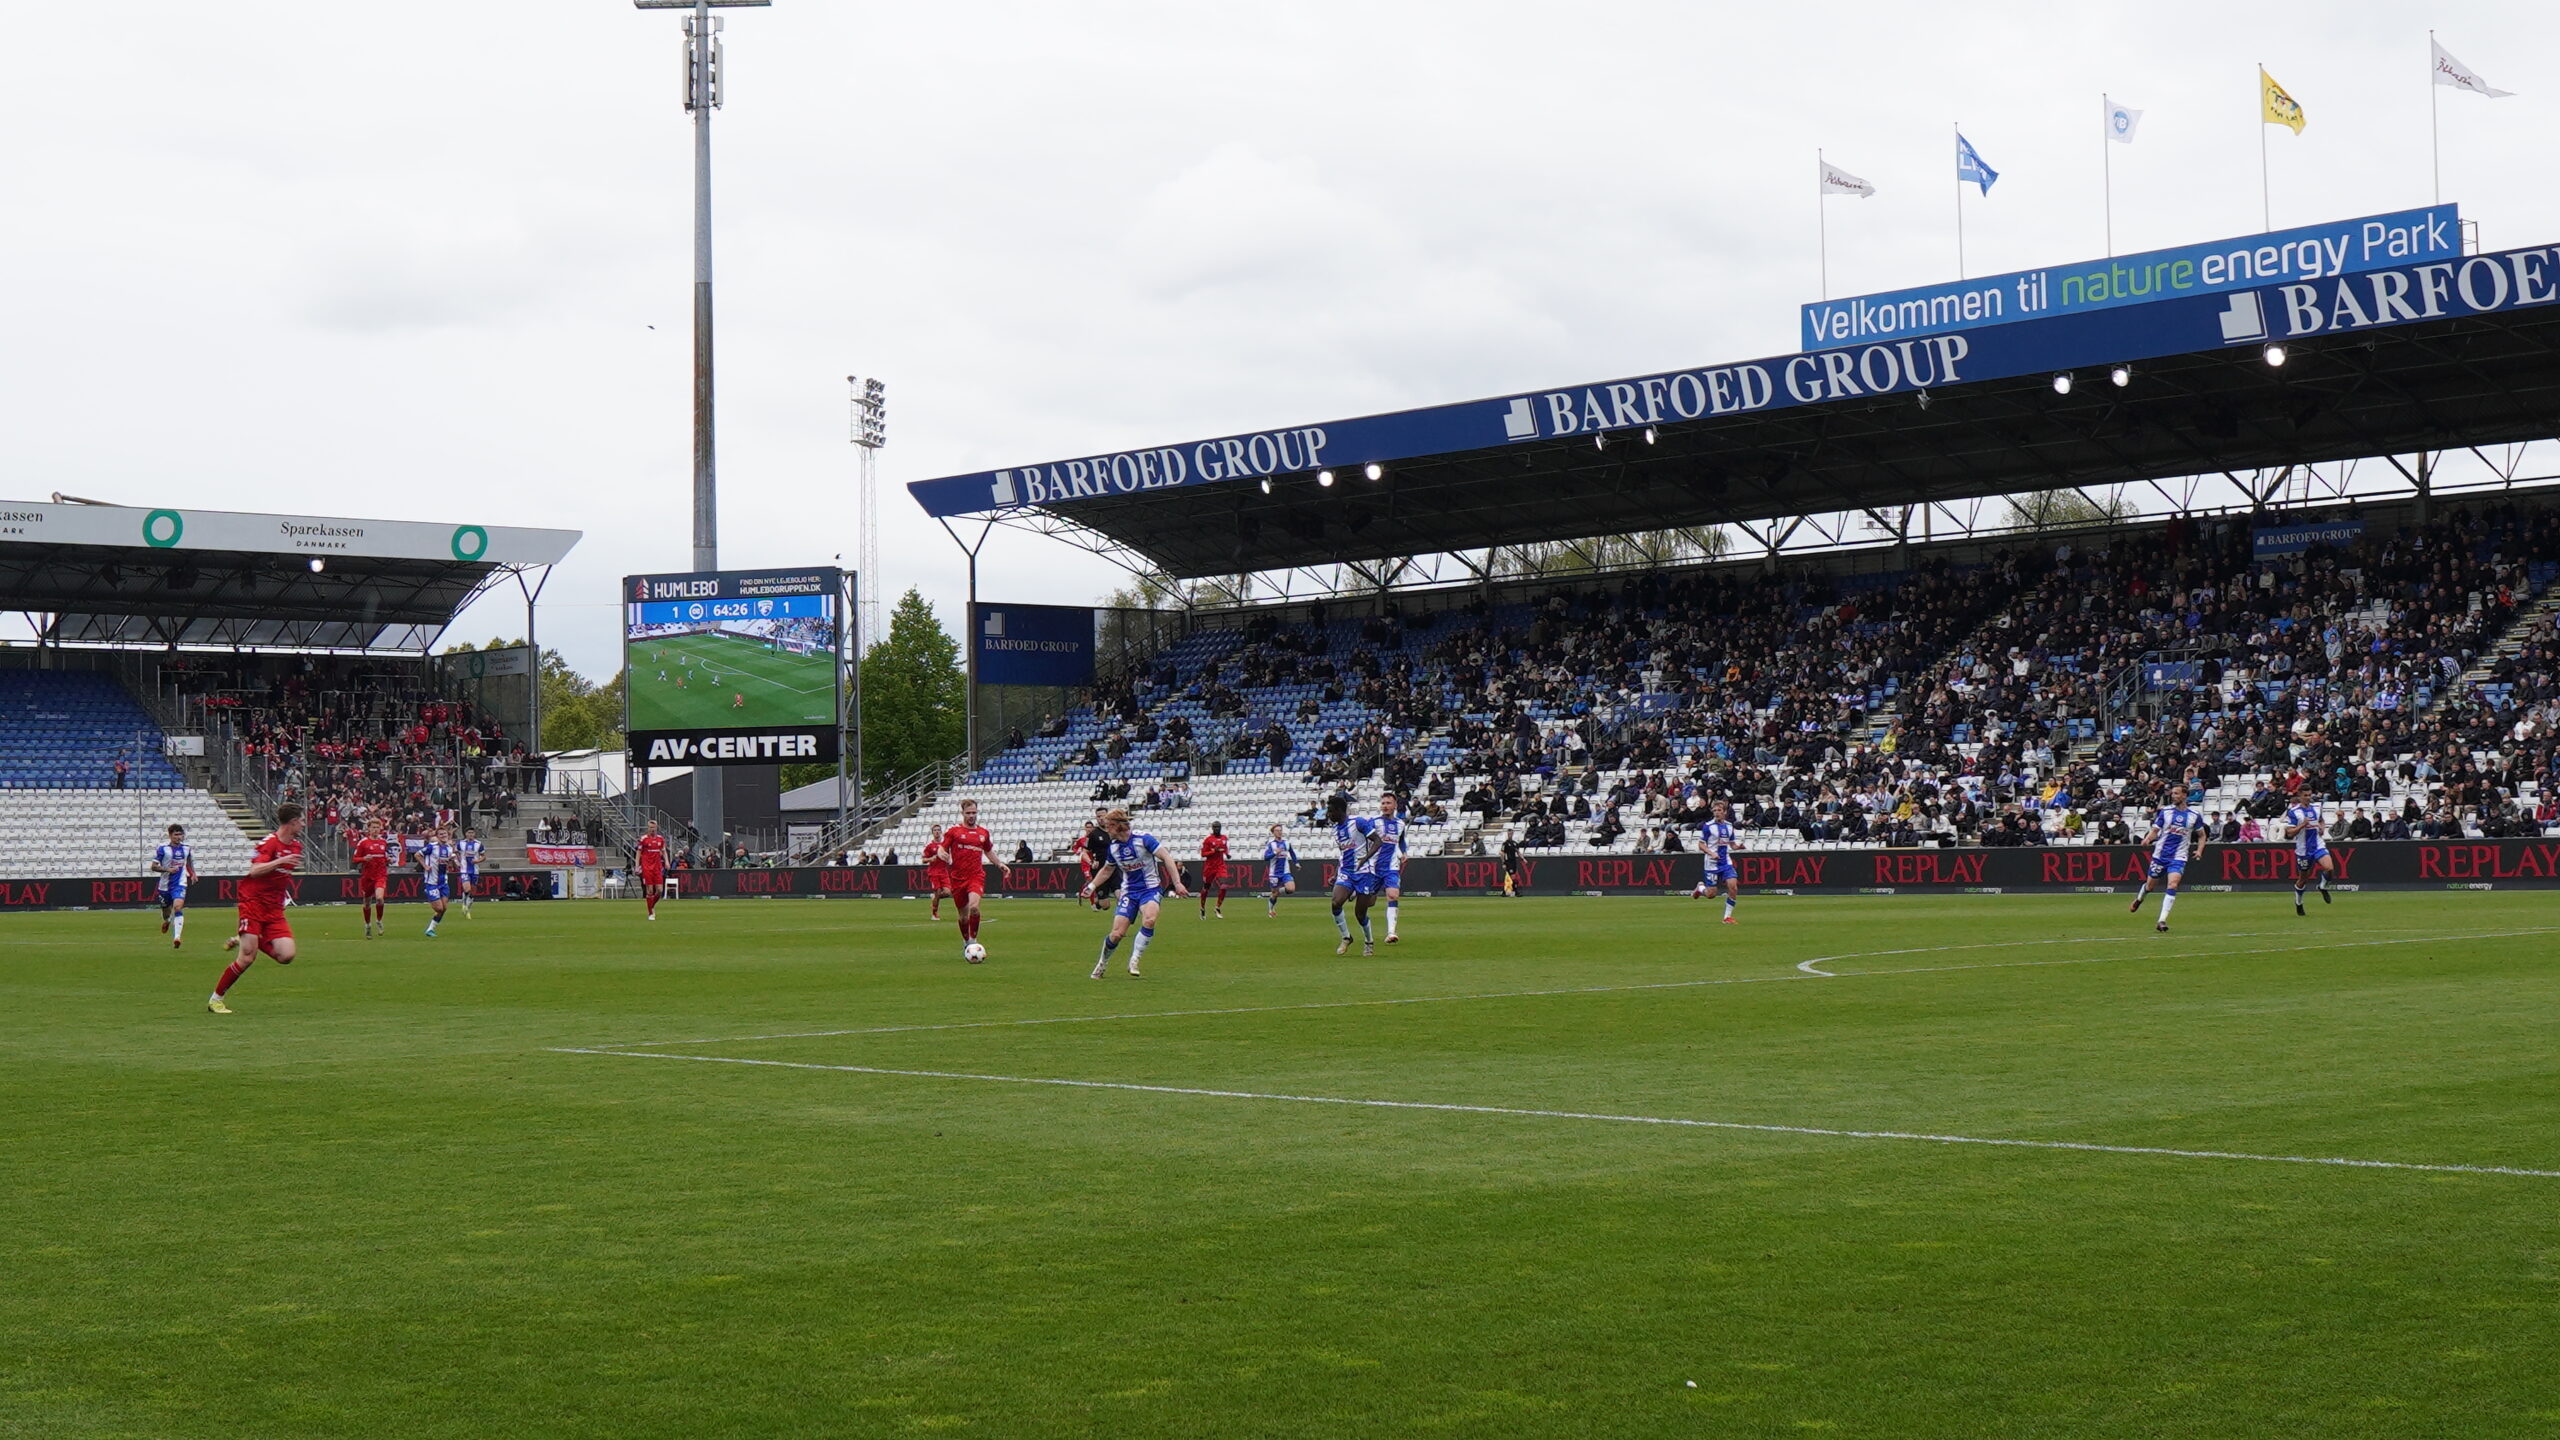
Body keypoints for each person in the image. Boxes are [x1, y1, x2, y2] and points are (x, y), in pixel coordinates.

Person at [208, 803, 305, 1014]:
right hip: (252, 903)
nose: (304, 825)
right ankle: (216, 999)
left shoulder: (297, 847)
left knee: (287, 955)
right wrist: (280, 861)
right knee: (247, 958)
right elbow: (254, 870)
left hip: (274, 909)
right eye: (301, 821)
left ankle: (248, 936)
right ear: (292, 822)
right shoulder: (269, 843)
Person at [1080, 809, 1187, 979]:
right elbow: (1107, 870)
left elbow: (1166, 857)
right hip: (1129, 893)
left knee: (1150, 919)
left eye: (1108, 827)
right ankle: (1102, 963)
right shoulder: (1114, 848)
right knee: (1116, 934)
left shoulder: (1143, 839)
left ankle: (1134, 960)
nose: (1107, 830)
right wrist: (1092, 886)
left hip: (1150, 889)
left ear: (1117, 826)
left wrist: (1177, 883)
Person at [940, 797, 1011, 962]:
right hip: (957, 878)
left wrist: (1000, 864)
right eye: (968, 813)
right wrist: (942, 854)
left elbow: (988, 851)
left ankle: (973, 940)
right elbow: (942, 848)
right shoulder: (954, 832)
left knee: (974, 908)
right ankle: (966, 941)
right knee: (963, 917)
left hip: (976, 876)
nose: (971, 816)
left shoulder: (983, 833)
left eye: (974, 812)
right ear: (962, 813)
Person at [2129, 800, 2204, 933]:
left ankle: (2161, 920)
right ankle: (2139, 899)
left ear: (2184, 795)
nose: (2173, 796)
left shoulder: (2194, 815)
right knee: (2150, 886)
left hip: (2179, 857)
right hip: (2160, 856)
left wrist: (2199, 850)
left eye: (2176, 793)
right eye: (2173, 793)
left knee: (2173, 885)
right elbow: (2155, 830)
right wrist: (2148, 839)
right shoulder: (2166, 812)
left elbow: (2202, 835)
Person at [1326, 792, 1382, 956]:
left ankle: (1369, 941)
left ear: (1339, 810)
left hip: (1364, 873)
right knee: (1336, 903)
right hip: (1346, 872)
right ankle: (1346, 937)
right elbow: (1343, 853)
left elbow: (1378, 841)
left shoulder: (1358, 823)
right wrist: (1335, 873)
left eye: (1330, 811)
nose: (1329, 814)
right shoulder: (1336, 830)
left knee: (1360, 914)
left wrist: (1365, 858)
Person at [1689, 800, 1743, 924]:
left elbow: (1732, 845)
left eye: (1719, 810)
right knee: (1711, 894)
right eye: (1714, 811)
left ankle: (1727, 917)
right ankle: (1700, 888)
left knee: (1733, 887)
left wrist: (1738, 847)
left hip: (1726, 862)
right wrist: (1711, 853)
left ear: (1724, 812)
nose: (1717, 813)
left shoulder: (1729, 826)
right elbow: (1701, 845)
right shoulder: (1708, 826)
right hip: (1712, 863)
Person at [2283, 797, 2336, 916]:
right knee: (2303, 880)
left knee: (2330, 868)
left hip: (2318, 845)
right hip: (2303, 850)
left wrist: (2322, 828)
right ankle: (2299, 903)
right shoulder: (2294, 812)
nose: (2308, 797)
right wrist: (2302, 825)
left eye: (2309, 794)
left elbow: (2321, 820)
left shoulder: (2316, 808)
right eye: (2305, 795)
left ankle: (2322, 886)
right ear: (2301, 796)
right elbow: (2289, 832)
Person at [153, 823, 194, 949]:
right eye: (175, 834)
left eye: (180, 834)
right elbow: (153, 867)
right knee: (166, 912)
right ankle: (167, 920)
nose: (178, 837)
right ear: (170, 835)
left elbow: (188, 861)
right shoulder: (163, 849)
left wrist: (193, 873)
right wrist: (167, 869)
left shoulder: (186, 848)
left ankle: (177, 938)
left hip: (180, 883)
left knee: (177, 907)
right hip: (164, 885)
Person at [1374, 793, 1409, 943]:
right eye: (1383, 803)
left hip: (1391, 867)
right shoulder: (1374, 822)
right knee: (1367, 902)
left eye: (1388, 803)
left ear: (1395, 805)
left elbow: (1401, 840)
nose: (1385, 806)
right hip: (1373, 867)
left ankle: (1391, 933)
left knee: (1393, 895)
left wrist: (1404, 852)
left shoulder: (1400, 824)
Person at [352, 818, 392, 938]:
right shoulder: (363, 842)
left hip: (380, 874)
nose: (375, 830)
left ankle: (379, 921)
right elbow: (355, 859)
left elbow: (385, 857)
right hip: (368, 876)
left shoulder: (383, 842)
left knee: (379, 898)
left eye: (377, 827)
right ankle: (368, 925)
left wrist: (388, 860)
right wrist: (364, 858)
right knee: (367, 902)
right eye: (373, 827)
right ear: (368, 829)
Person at [420, 826, 455, 938]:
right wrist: (425, 866)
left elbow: (450, 864)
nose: (443, 835)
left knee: (444, 908)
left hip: (443, 881)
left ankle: (430, 929)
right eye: (441, 834)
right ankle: (427, 892)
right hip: (432, 882)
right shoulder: (432, 846)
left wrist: (452, 861)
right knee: (439, 908)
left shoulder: (449, 848)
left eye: (445, 833)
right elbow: (418, 854)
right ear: (437, 836)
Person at [1080, 809, 1116, 913]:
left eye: (1103, 816)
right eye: (1099, 816)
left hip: (1115, 868)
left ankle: (1123, 917)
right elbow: (1084, 852)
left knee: (1120, 894)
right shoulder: (1093, 834)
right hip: (1100, 870)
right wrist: (1091, 862)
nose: (1101, 818)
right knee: (1105, 905)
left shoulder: (1114, 831)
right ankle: (1097, 901)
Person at [1262, 824, 1298, 917]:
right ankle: (1271, 910)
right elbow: (1266, 857)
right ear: (1273, 833)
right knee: (1274, 894)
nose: (1279, 832)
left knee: (1291, 889)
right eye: (1277, 830)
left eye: (1280, 830)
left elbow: (1292, 853)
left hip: (1285, 872)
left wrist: (1296, 863)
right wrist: (1275, 852)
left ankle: (1277, 891)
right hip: (1274, 873)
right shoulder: (1271, 844)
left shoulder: (1286, 843)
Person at [636, 819, 669, 920]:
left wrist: (667, 861)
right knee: (650, 890)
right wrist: (637, 866)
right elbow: (638, 852)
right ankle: (651, 913)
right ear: (648, 828)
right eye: (650, 827)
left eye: (653, 827)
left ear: (656, 828)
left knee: (660, 890)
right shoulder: (644, 839)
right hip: (647, 868)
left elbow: (664, 851)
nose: (652, 829)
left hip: (657, 868)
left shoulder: (660, 839)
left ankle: (651, 905)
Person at [1198, 822, 1231, 918]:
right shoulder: (1208, 840)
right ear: (1212, 828)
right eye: (1215, 827)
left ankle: (1217, 907)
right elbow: (1203, 854)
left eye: (1218, 827)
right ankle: (1202, 908)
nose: (1217, 828)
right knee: (1206, 888)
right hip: (1210, 867)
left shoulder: (1224, 838)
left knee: (1224, 886)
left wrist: (1227, 854)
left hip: (1220, 866)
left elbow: (1225, 848)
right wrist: (1213, 851)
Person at [458, 828, 485, 918]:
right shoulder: (461, 843)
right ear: (465, 834)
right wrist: (458, 862)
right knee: (467, 888)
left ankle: (468, 910)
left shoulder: (478, 844)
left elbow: (483, 856)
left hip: (475, 870)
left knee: (473, 892)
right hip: (464, 870)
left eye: (472, 832)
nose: (470, 834)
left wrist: (477, 861)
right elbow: (454, 852)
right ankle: (463, 903)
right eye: (469, 832)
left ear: (474, 834)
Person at [924, 836, 952, 921]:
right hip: (933, 872)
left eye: (938, 830)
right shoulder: (930, 846)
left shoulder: (945, 845)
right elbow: (923, 860)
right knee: (938, 891)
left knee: (947, 892)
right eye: (935, 830)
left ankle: (935, 897)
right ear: (933, 832)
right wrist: (930, 859)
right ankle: (934, 914)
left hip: (943, 872)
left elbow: (949, 856)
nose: (937, 832)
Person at [1499, 830, 1525, 898]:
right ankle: (1516, 892)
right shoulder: (1505, 843)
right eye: (1509, 834)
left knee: (1510, 877)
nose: (1510, 835)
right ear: (1507, 834)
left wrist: (1523, 858)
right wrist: (1503, 863)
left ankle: (1504, 892)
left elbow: (1518, 852)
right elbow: (1501, 853)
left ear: (1513, 834)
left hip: (1514, 862)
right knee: (1513, 877)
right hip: (1508, 862)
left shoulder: (1514, 843)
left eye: (1511, 833)